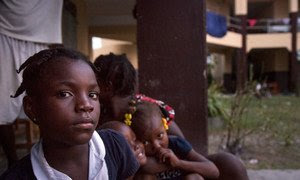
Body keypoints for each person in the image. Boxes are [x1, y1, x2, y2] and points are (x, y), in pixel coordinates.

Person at [94, 53, 249, 180]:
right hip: (144, 172)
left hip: (175, 166)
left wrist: (176, 163)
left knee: (230, 164)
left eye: (94, 83)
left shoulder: (147, 109)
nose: (91, 88)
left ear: (107, 86)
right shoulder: (101, 116)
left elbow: (182, 146)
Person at [0, 48, 139, 179]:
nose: (86, 105)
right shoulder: (18, 176)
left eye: (93, 94)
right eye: (64, 94)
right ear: (31, 107)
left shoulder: (115, 146)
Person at [0, 0, 63, 168]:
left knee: (48, 104)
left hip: (41, 38)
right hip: (3, 34)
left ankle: (47, 159)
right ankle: (13, 163)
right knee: (1, 107)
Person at [128, 100, 219, 179]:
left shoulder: (176, 144)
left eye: (160, 135)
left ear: (166, 127)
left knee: (194, 177)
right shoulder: (140, 153)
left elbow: (214, 171)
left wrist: (179, 163)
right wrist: (169, 164)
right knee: (144, 177)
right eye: (146, 142)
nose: (156, 145)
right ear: (136, 140)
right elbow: (145, 167)